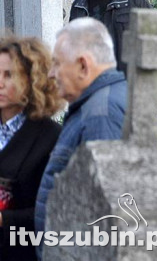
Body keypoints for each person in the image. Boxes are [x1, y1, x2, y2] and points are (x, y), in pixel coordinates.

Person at [35, 20, 126, 234]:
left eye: (57, 63)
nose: (50, 74)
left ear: (83, 66)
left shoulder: (102, 114)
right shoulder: (97, 104)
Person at [0, 37, 63, 261]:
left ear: (32, 80)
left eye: (9, 75)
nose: (0, 83)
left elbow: (54, 210)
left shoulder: (50, 137)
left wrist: (3, 219)